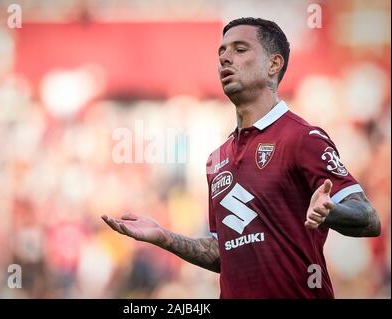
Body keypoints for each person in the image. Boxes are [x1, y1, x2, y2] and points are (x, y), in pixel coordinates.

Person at [101, 17, 381, 298]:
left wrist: (332, 211)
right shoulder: (216, 159)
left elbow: (369, 219)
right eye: (221, 51)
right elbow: (225, 253)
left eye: (240, 49)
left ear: (274, 64)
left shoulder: (301, 138)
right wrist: (165, 237)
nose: (225, 58)